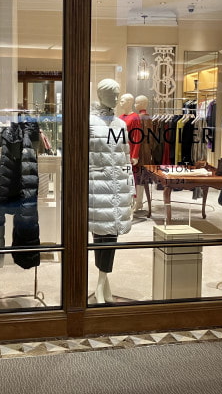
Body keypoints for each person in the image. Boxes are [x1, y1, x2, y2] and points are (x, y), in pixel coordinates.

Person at [89, 79, 134, 303]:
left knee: (110, 236)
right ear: (99, 95)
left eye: (118, 95)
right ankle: (101, 285)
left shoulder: (120, 125)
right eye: (111, 94)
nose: (115, 99)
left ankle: (101, 285)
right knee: (101, 234)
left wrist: (131, 187)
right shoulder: (89, 123)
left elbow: (126, 158)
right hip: (97, 187)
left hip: (118, 188)